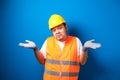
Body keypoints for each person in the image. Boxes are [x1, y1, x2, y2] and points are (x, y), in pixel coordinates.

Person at [19, 14, 101, 80]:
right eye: (54, 30)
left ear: (66, 28)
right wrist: (35, 49)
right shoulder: (48, 41)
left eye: (60, 28)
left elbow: (82, 62)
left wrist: (85, 49)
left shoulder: (76, 41)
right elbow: (42, 61)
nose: (57, 32)